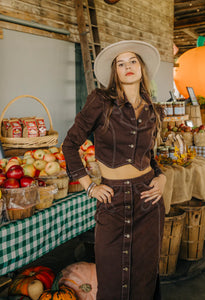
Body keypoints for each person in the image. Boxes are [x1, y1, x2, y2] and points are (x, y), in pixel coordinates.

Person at [62, 40, 167, 300]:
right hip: (112, 199)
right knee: (110, 280)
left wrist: (162, 177)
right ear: (115, 72)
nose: (127, 67)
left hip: (147, 201)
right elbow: (70, 144)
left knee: (144, 277)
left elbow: (150, 157)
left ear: (141, 68)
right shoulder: (100, 102)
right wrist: (89, 186)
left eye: (133, 61)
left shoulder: (154, 111)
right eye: (121, 63)